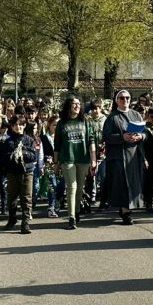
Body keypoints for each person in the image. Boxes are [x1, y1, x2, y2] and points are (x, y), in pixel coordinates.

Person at [102, 90, 146, 225]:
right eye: (121, 98)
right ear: (117, 101)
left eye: (127, 97)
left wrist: (141, 136)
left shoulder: (136, 115)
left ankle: (128, 208)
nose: (125, 100)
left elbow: (146, 133)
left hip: (133, 155)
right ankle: (125, 211)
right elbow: (106, 137)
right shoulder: (112, 117)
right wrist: (122, 137)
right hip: (119, 157)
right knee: (122, 184)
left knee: (133, 183)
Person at [54, 96, 97, 230]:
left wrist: (93, 159)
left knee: (79, 188)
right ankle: (71, 217)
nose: (77, 106)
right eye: (74, 104)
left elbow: (92, 141)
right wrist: (56, 163)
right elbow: (57, 145)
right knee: (71, 187)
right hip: (67, 159)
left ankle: (77, 210)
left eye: (79, 104)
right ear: (68, 106)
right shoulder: (61, 123)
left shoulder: (85, 122)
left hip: (83, 159)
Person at [1, 114, 37, 234]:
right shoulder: (8, 141)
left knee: (26, 197)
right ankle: (12, 219)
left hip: (27, 172)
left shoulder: (29, 140)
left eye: (21, 125)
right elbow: (4, 157)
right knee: (12, 197)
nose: (18, 127)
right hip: (13, 173)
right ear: (11, 126)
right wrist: (13, 155)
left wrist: (24, 153)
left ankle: (25, 222)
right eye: (16, 125)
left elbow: (33, 156)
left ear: (24, 125)